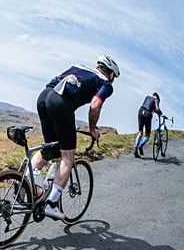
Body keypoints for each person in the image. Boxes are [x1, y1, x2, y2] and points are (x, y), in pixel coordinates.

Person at [30, 54, 119, 220]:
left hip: (44, 96)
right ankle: (51, 204)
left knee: (50, 150)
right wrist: (92, 129)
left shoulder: (79, 66)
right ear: (111, 73)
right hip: (60, 103)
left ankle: (26, 180)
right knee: (68, 157)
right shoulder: (106, 84)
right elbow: (95, 106)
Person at [133, 93, 162, 157]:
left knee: (140, 132)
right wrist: (160, 113)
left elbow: (149, 106)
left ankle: (135, 149)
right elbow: (157, 109)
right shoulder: (156, 100)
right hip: (147, 114)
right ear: (157, 98)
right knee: (147, 134)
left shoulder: (147, 97)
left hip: (141, 111)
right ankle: (141, 146)